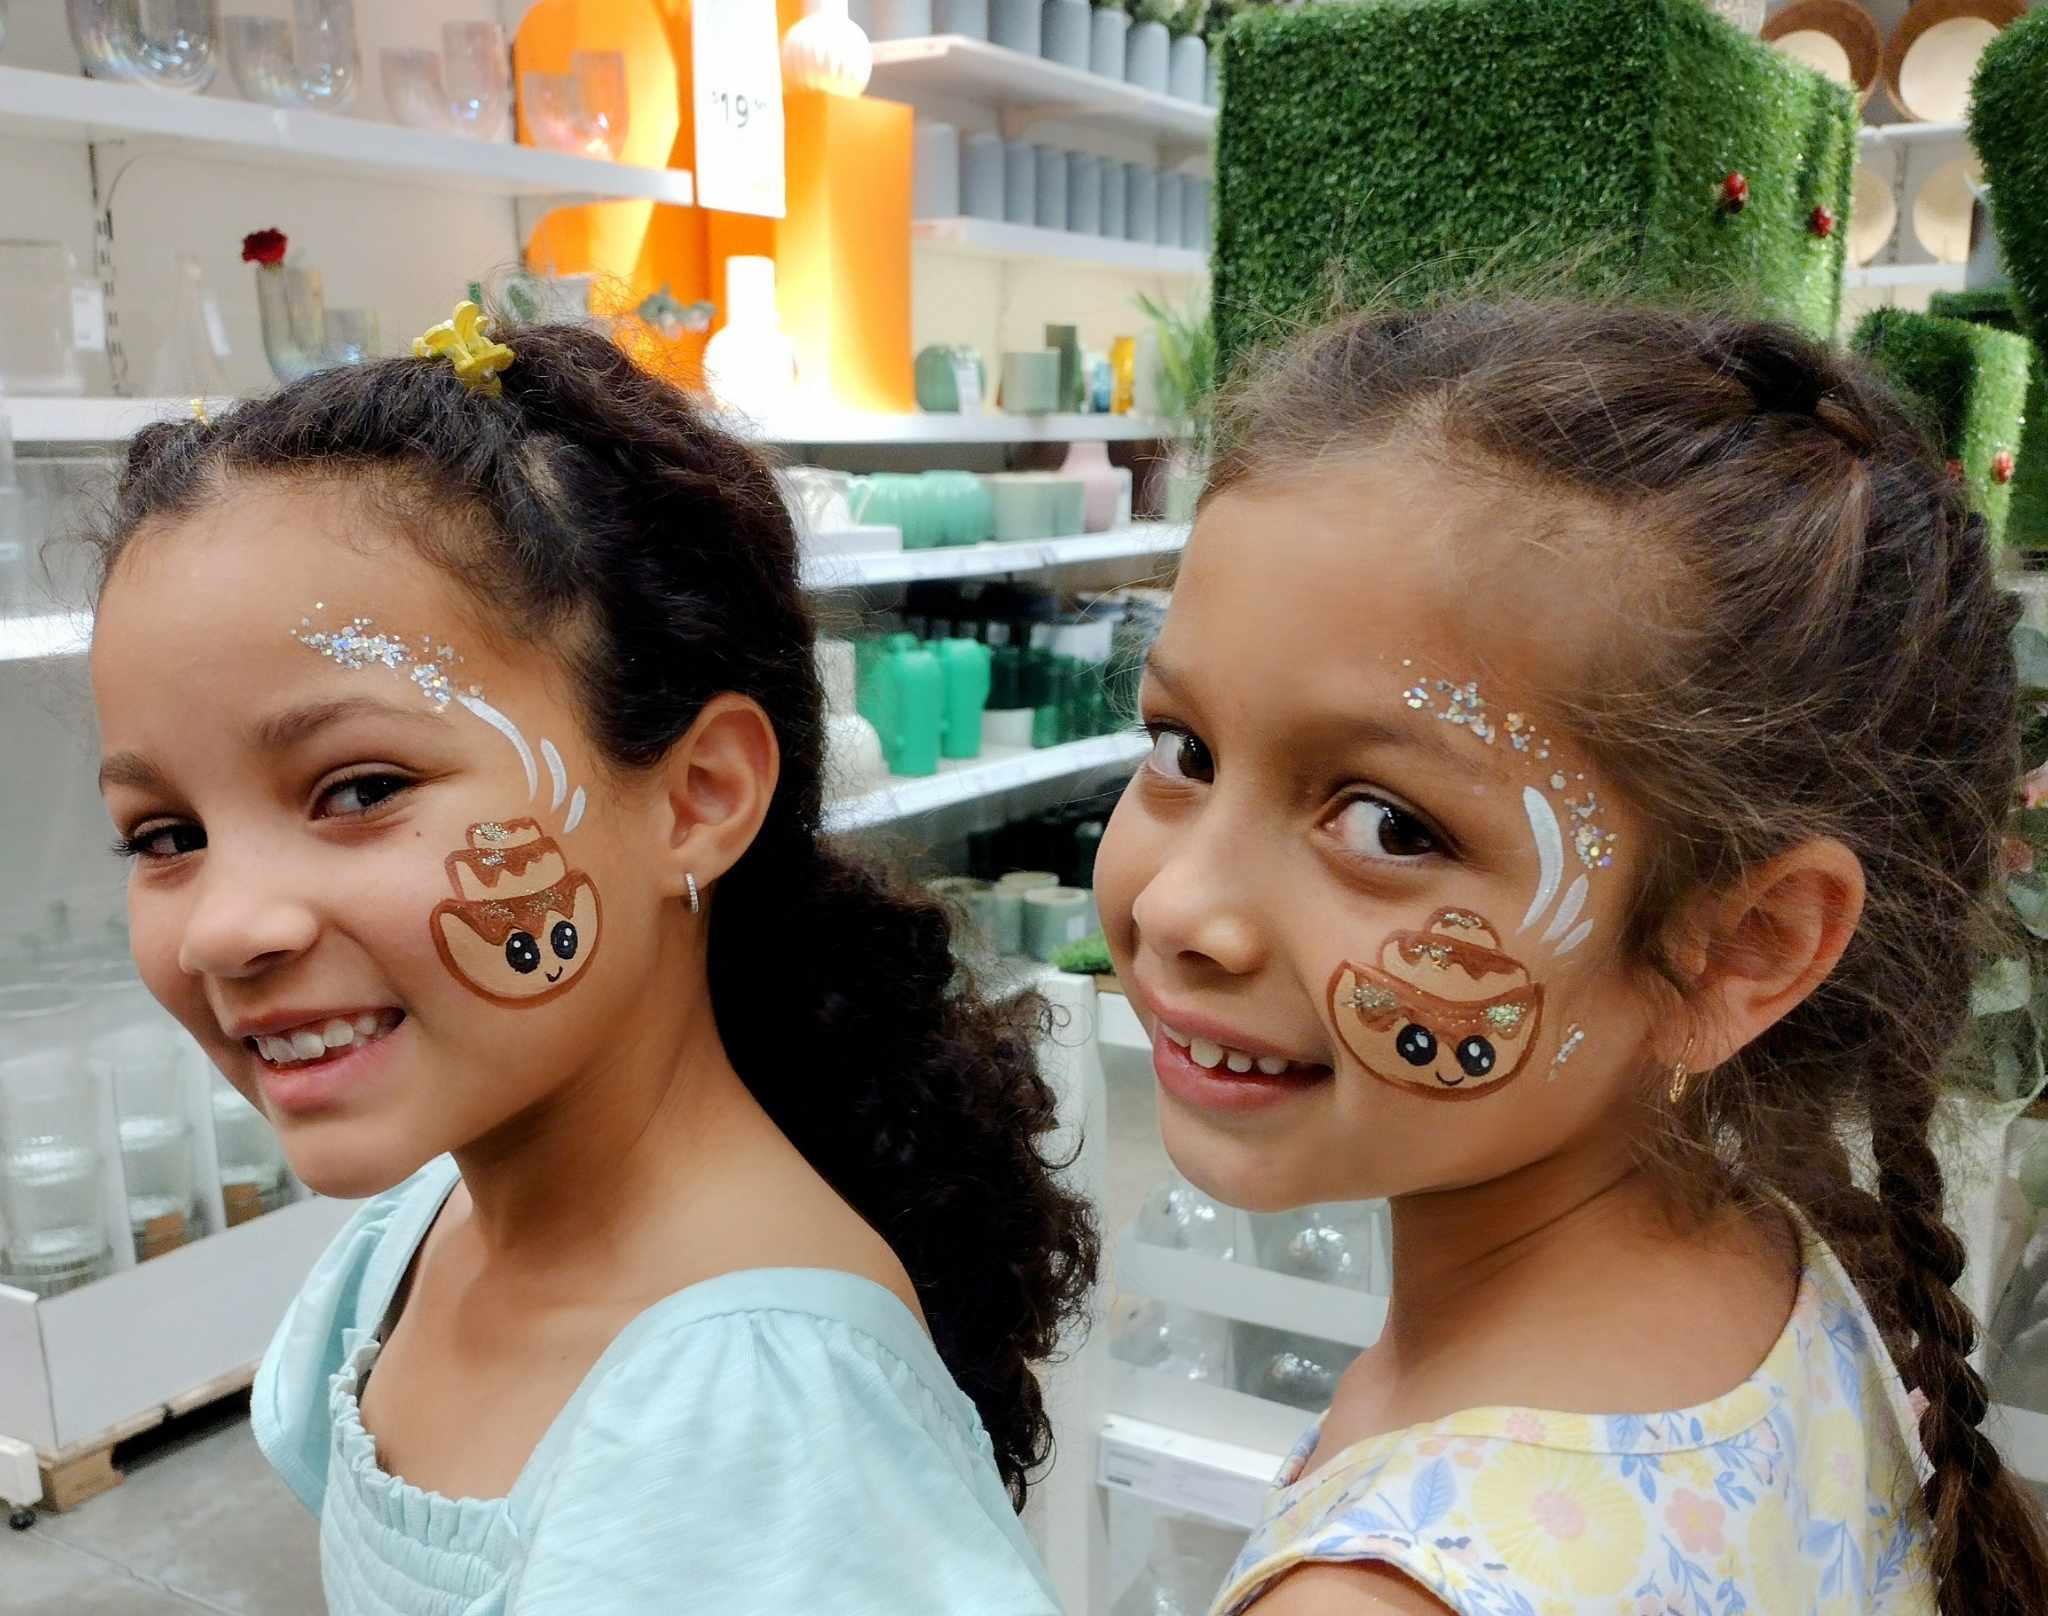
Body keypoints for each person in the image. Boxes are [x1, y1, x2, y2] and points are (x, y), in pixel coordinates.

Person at [86, 306, 1096, 1615]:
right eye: (165, 835)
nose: (228, 924)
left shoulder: (758, 1436)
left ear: (694, 796)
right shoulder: (410, 1245)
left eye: (358, 787)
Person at [1093, 299, 2048, 1616]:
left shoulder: (1381, 1597)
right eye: (1181, 750)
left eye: (1389, 825)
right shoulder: (1776, 1276)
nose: (1185, 907)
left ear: (1743, 951)